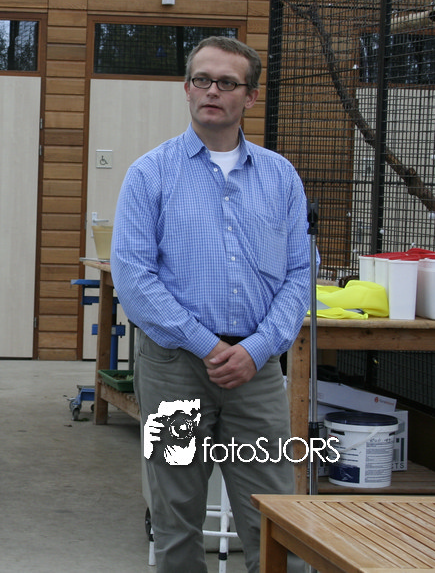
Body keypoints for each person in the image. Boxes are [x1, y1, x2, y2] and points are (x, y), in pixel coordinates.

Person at [111, 36, 311, 573]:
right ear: (186, 88)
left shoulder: (280, 177)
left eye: (227, 82)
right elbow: (133, 277)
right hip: (174, 369)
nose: (212, 91)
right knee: (175, 517)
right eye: (202, 80)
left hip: (256, 374)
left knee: (276, 518)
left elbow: (300, 274)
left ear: (251, 95)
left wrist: (257, 349)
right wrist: (206, 345)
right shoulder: (150, 174)